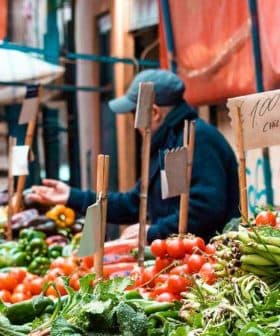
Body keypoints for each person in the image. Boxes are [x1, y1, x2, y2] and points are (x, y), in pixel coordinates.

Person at [27, 70, 240, 243]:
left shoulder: (197, 139)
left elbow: (204, 210)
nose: (133, 123)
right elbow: (135, 203)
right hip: (179, 259)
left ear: (155, 113)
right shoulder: (166, 142)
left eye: (133, 114)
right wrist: (72, 197)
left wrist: (152, 232)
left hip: (208, 262)